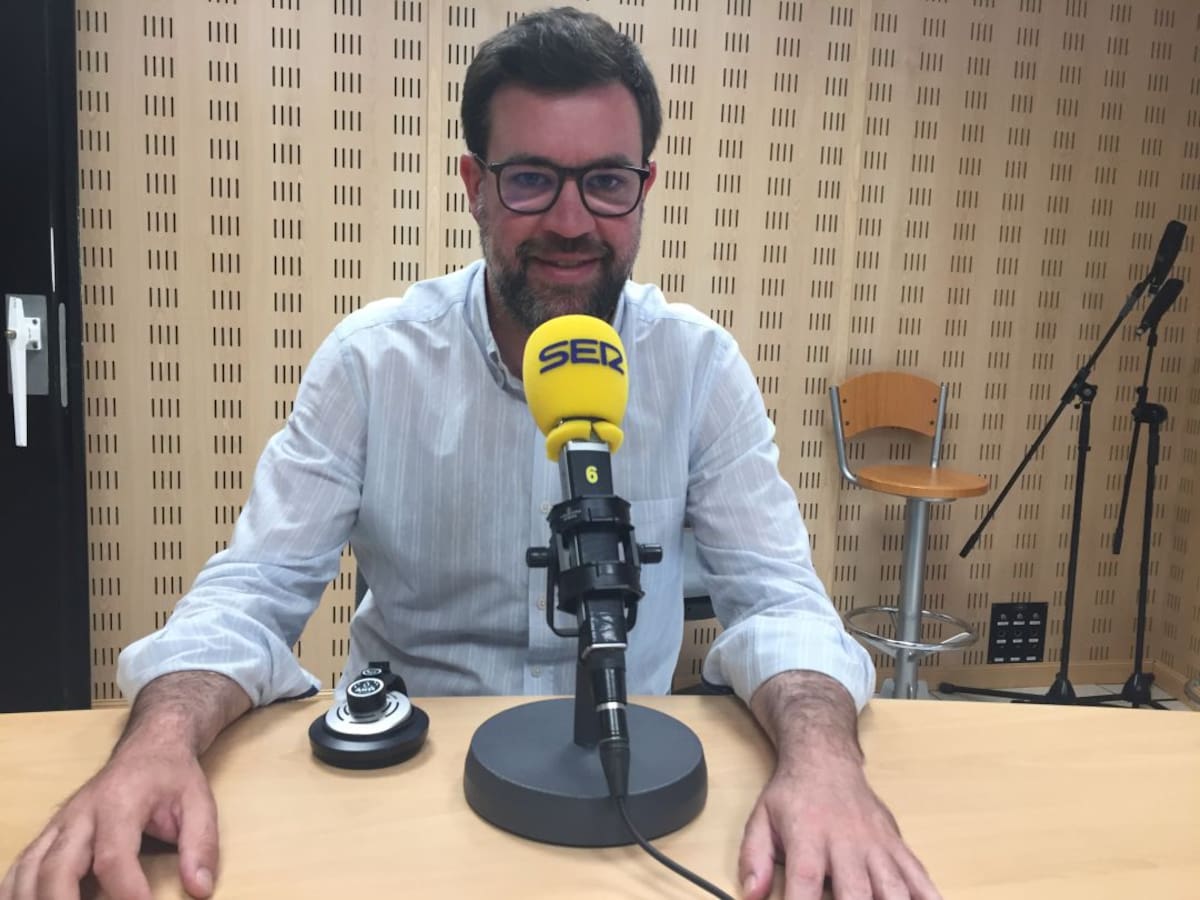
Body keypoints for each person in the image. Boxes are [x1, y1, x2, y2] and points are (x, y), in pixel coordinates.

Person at [1, 8, 939, 900]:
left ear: (644, 188)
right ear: (474, 186)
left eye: (606, 181)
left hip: (627, 816)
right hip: (402, 792)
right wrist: (155, 744)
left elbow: (780, 601)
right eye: (531, 178)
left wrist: (824, 764)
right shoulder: (372, 363)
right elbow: (251, 593)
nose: (571, 220)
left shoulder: (698, 367)